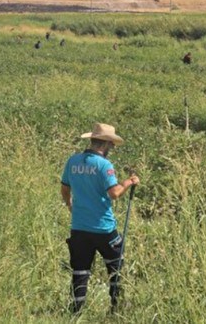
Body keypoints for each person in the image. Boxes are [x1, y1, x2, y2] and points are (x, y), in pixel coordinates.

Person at [60, 123, 140, 314]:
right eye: (110, 145)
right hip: (103, 228)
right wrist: (129, 182)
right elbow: (114, 193)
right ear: (104, 145)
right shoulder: (104, 165)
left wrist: (71, 206)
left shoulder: (73, 161)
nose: (111, 148)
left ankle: (76, 310)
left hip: (79, 227)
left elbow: (64, 189)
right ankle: (116, 307)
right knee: (116, 267)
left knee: (80, 270)